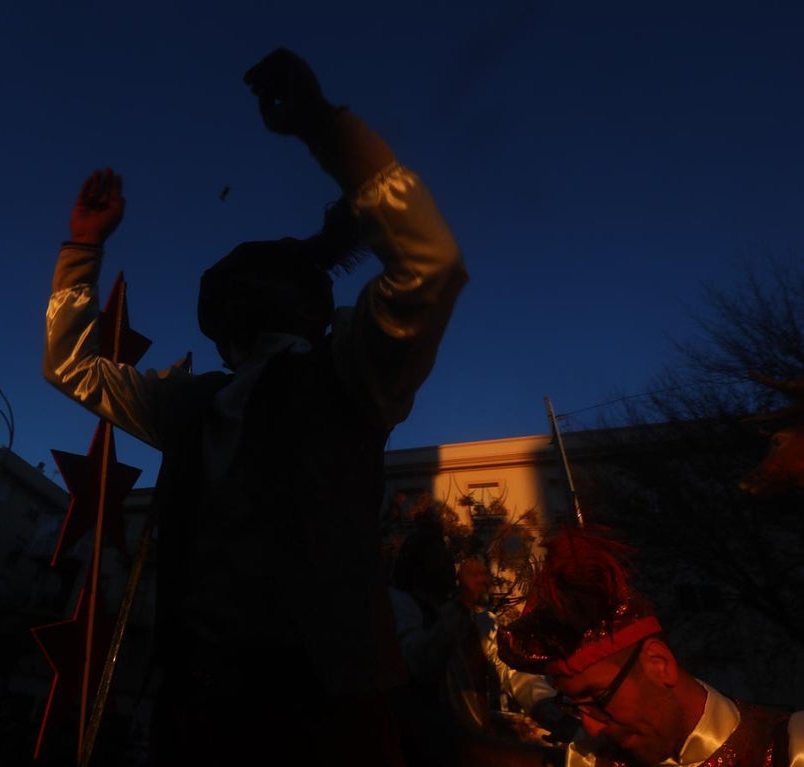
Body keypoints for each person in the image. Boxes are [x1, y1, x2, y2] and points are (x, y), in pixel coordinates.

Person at [44, 47, 467, 767]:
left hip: (323, 713)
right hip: (199, 707)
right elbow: (72, 368)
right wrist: (82, 247)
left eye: (255, 285)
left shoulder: (352, 372)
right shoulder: (190, 402)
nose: (244, 300)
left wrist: (325, 128)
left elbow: (430, 265)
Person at [497, 525, 804, 767]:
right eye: (576, 706)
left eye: (597, 699)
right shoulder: (595, 759)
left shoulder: (788, 752)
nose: (590, 727)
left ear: (659, 663)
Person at [388, 530, 574, 767]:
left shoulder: (479, 621)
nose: (447, 564)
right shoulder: (400, 606)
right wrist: (462, 603)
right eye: (434, 556)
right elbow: (420, 665)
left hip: (472, 745)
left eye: (446, 556)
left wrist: (554, 716)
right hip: (426, 750)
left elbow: (516, 674)